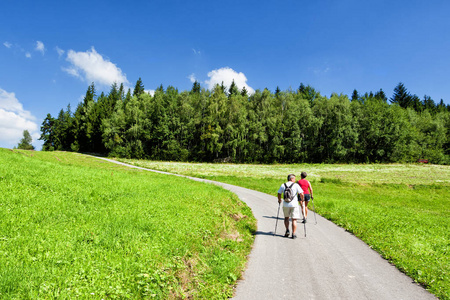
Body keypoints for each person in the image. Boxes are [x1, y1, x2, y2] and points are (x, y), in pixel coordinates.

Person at [277, 174, 304, 239]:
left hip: (286, 204)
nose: (295, 180)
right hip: (294, 204)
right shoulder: (296, 185)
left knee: (286, 218)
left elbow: (279, 193)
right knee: (294, 219)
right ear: (291, 179)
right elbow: (301, 193)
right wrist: (302, 200)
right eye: (294, 178)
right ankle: (293, 234)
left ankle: (287, 230)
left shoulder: (283, 185)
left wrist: (279, 200)